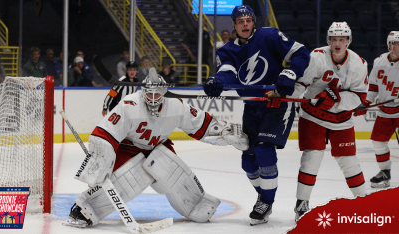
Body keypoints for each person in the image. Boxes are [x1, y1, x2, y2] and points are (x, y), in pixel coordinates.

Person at [63, 68, 249, 228]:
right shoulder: (129, 105)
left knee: (170, 170)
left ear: (164, 92)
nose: (152, 99)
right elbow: (104, 134)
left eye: (157, 94)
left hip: (157, 147)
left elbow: (202, 124)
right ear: (143, 92)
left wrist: (226, 132)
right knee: (127, 180)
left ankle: (195, 205)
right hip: (129, 148)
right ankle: (85, 210)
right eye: (149, 94)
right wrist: (101, 164)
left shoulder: (176, 106)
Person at [203, 5, 310, 226]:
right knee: (248, 161)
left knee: (263, 149)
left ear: (253, 22)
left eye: (248, 20)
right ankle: (264, 196)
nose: (244, 24)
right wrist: (217, 83)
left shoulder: (269, 36)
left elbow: (300, 53)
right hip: (252, 107)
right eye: (240, 21)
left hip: (277, 102)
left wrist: (289, 73)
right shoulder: (226, 50)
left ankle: (265, 202)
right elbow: (228, 73)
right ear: (233, 25)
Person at [288, 22, 368, 221]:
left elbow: (359, 97)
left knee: (348, 161)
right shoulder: (316, 56)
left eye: (342, 39)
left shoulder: (359, 63)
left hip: (341, 119)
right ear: (328, 41)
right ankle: (302, 203)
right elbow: (301, 84)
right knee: (311, 157)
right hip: (313, 115)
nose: (338, 43)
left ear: (349, 41)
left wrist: (337, 99)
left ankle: (365, 202)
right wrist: (287, 97)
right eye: (334, 39)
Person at [354, 31, 399, 189]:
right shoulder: (379, 62)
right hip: (385, 111)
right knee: (378, 142)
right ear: (390, 45)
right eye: (397, 44)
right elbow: (373, 87)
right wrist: (366, 102)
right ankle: (384, 172)